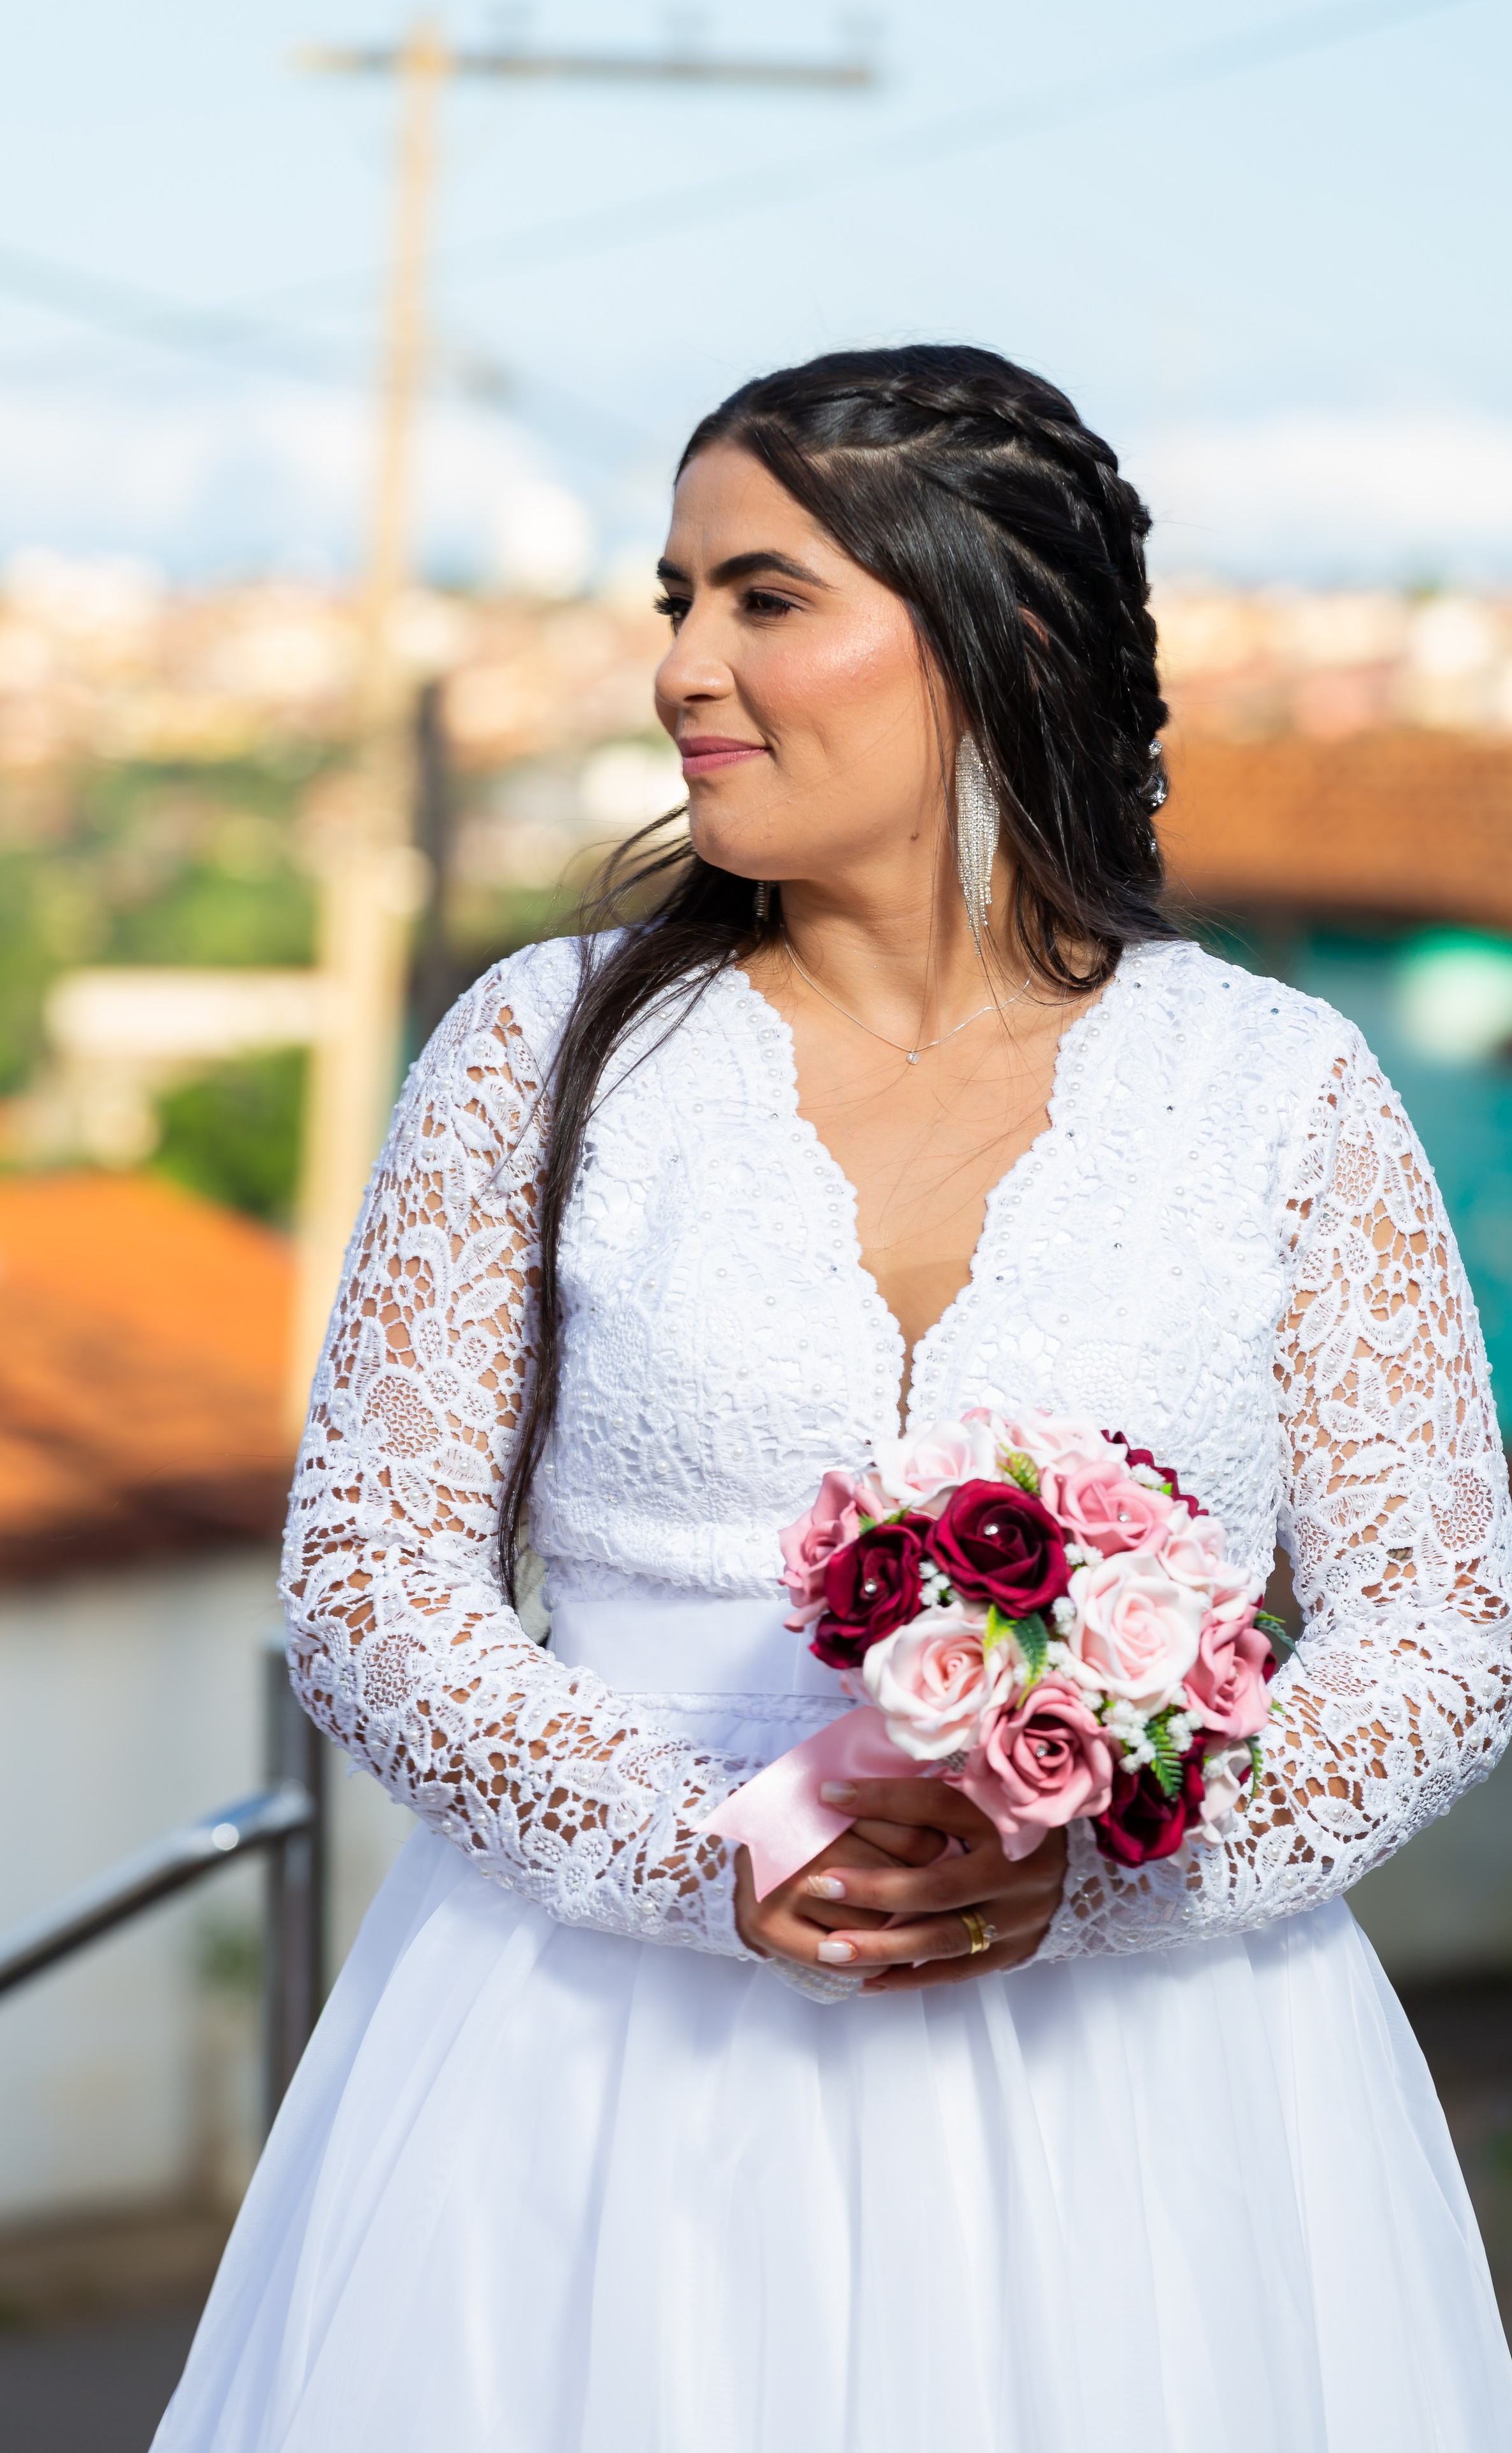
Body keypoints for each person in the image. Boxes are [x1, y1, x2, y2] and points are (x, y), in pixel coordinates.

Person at [153, 345, 1512, 2452]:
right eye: (675, 601)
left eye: (764, 598)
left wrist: (1120, 1865)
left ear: (1005, 631)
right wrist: (704, 1851)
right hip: (594, 2076)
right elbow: (368, 1571)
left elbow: (1447, 1620)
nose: (687, 665)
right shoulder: (541, 1047)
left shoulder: (1282, 1092)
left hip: (1162, 2115)